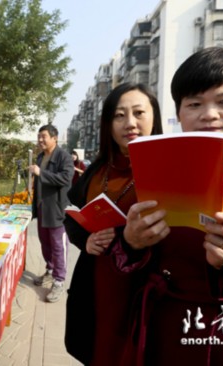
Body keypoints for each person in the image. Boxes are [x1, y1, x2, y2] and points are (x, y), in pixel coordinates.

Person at [111, 47, 223, 365]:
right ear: (179, 113)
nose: (208, 114)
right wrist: (132, 244)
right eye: (194, 104)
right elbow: (131, 266)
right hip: (172, 335)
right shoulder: (156, 171)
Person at [63, 83, 163, 364]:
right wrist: (86, 240)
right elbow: (72, 217)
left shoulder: (168, 169)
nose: (129, 123)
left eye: (139, 113)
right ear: (108, 124)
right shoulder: (97, 169)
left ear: (154, 116)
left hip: (142, 289)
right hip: (96, 284)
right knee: (98, 350)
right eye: (119, 116)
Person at [30, 124, 74, 303]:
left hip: (56, 208)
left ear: (54, 138)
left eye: (44, 136)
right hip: (42, 207)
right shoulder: (41, 156)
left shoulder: (64, 157)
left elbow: (66, 178)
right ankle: (50, 271)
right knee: (45, 243)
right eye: (39, 136)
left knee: (58, 245)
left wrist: (42, 173)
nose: (40, 140)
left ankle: (59, 281)